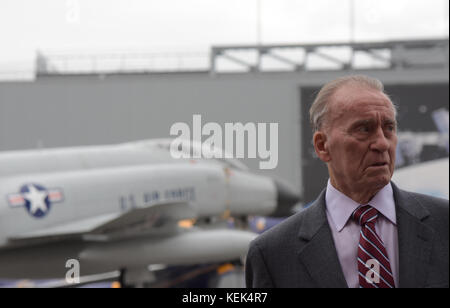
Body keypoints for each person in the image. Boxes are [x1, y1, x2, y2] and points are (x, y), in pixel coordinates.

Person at [245, 75, 449, 288]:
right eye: (364, 129)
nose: (381, 143)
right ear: (322, 146)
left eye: (389, 127)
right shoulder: (272, 254)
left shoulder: (444, 224)